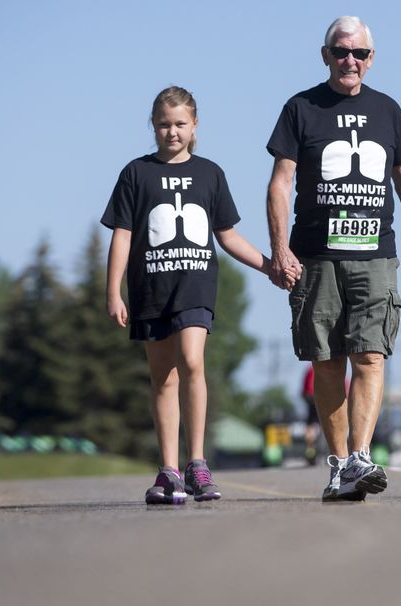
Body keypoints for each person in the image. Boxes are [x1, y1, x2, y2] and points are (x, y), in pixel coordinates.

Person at [267, 15, 401, 501]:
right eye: (341, 51)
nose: (351, 61)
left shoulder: (387, 110)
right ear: (325, 54)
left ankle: (361, 457)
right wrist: (280, 247)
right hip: (317, 257)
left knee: (370, 353)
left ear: (372, 59)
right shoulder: (300, 108)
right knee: (326, 362)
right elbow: (281, 182)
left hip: (375, 256)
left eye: (360, 54)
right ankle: (340, 463)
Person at [103, 85, 279, 505]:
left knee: (192, 361)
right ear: (153, 126)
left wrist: (268, 265)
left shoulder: (210, 174)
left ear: (195, 125)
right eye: (164, 125)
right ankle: (169, 471)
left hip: (196, 287)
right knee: (163, 377)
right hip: (151, 288)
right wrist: (113, 290)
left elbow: (228, 236)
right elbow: (123, 236)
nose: (172, 132)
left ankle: (197, 464)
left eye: (180, 124)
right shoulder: (136, 173)